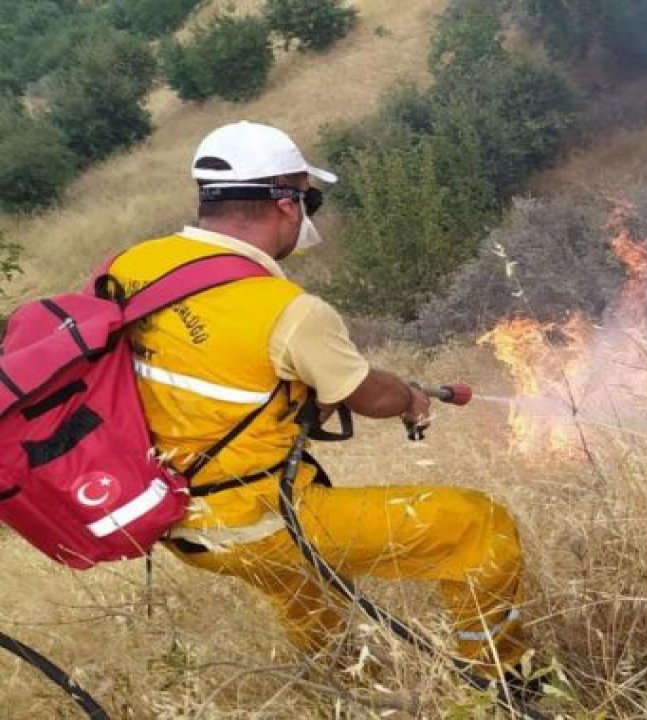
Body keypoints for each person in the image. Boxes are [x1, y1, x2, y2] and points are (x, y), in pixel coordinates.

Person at [107, 121, 529, 685]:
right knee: (479, 525)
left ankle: (346, 686)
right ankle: (504, 682)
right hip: (253, 521)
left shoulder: (135, 265)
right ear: (287, 202)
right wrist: (407, 397)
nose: (311, 213)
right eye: (312, 199)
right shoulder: (287, 311)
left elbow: (207, 378)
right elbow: (367, 394)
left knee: (300, 585)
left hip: (174, 519)